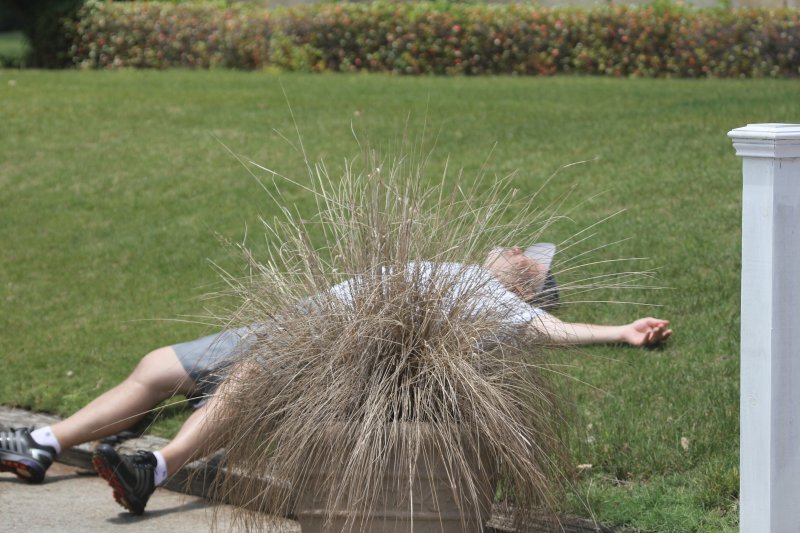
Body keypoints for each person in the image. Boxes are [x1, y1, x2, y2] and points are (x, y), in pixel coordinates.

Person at [0, 245, 671, 515]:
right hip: (290, 323)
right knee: (158, 365)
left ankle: (155, 467)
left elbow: (548, 330)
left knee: (253, 374)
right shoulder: (460, 272)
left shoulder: (496, 302)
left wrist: (619, 331)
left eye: (527, 258)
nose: (515, 249)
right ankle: (43, 444)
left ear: (524, 283)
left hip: (319, 354)